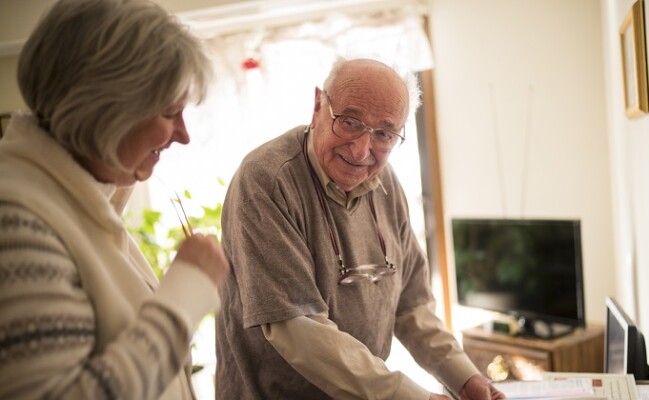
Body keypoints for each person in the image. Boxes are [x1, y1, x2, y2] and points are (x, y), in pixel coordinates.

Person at [216, 57, 506, 400]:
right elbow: (296, 327)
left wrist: (466, 378)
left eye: (384, 133)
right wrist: (414, 397)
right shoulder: (267, 179)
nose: (361, 150)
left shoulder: (386, 183)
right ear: (317, 106)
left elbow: (412, 306)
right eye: (350, 122)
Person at [0, 0, 228, 399]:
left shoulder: (72, 203)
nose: (183, 135)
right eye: (170, 112)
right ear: (106, 108)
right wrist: (184, 297)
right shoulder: (16, 219)